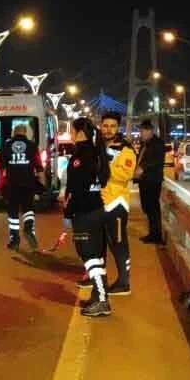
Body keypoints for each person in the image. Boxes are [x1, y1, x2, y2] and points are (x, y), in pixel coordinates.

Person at [63, 117, 112, 317]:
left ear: (78, 132)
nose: (71, 135)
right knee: (97, 257)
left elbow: (76, 190)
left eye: (71, 131)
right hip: (97, 209)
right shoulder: (96, 152)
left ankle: (102, 300)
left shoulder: (80, 157)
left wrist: (68, 213)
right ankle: (98, 295)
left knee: (90, 258)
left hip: (84, 213)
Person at [99, 112, 136, 295]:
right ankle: (97, 278)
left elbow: (125, 174)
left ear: (118, 128)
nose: (108, 129)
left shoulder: (125, 149)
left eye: (112, 126)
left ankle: (123, 282)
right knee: (98, 243)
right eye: (105, 125)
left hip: (116, 204)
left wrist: (104, 165)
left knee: (118, 243)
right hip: (98, 202)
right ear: (100, 126)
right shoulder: (97, 146)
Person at [0, 123, 41, 250]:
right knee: (28, 207)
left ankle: (14, 240)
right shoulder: (33, 146)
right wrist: (42, 183)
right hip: (28, 183)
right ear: (25, 132)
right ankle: (28, 227)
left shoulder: (6, 146)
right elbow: (39, 167)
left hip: (12, 184)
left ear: (14, 133)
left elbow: (0, 167)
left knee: (13, 212)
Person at [136, 119, 167, 244]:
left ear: (150, 131)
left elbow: (156, 160)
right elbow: (141, 158)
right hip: (144, 181)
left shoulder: (157, 144)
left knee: (152, 208)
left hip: (152, 181)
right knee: (147, 207)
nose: (141, 133)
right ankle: (153, 233)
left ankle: (156, 235)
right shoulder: (145, 144)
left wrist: (142, 168)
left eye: (142, 131)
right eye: (141, 131)